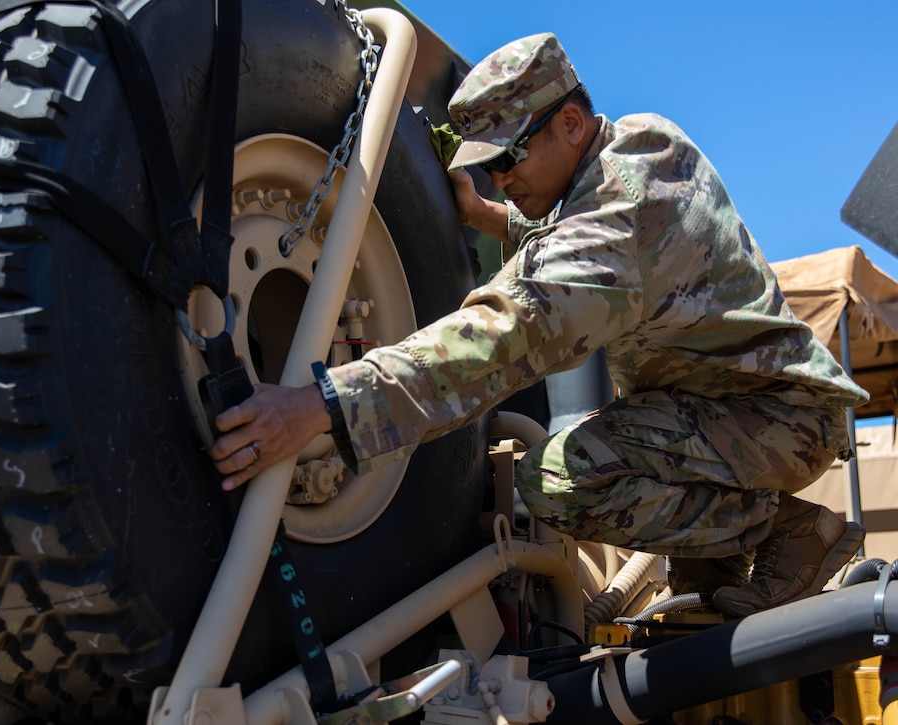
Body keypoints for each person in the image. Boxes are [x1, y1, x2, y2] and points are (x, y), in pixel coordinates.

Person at [209, 33, 868, 617]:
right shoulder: (645, 140)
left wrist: (323, 405)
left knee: (557, 481)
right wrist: (494, 218)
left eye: (509, 158)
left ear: (572, 122)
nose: (499, 179)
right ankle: (716, 559)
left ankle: (781, 528)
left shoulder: (617, 225)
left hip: (768, 422)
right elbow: (594, 222)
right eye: (487, 167)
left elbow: (503, 335)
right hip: (746, 405)